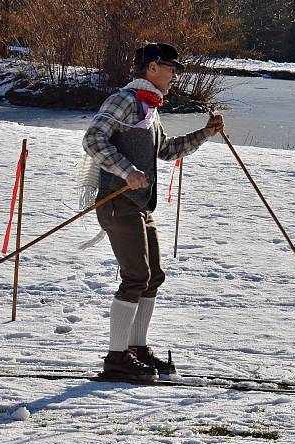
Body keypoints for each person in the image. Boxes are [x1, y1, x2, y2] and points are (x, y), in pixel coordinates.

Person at [82, 42, 224, 380]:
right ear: (152, 68)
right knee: (135, 278)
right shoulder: (125, 100)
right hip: (117, 202)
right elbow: (92, 139)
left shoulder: (150, 108)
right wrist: (127, 171)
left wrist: (205, 133)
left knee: (153, 277)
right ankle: (116, 358)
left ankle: (137, 349)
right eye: (171, 68)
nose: (176, 75)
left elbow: (166, 150)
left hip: (140, 205)